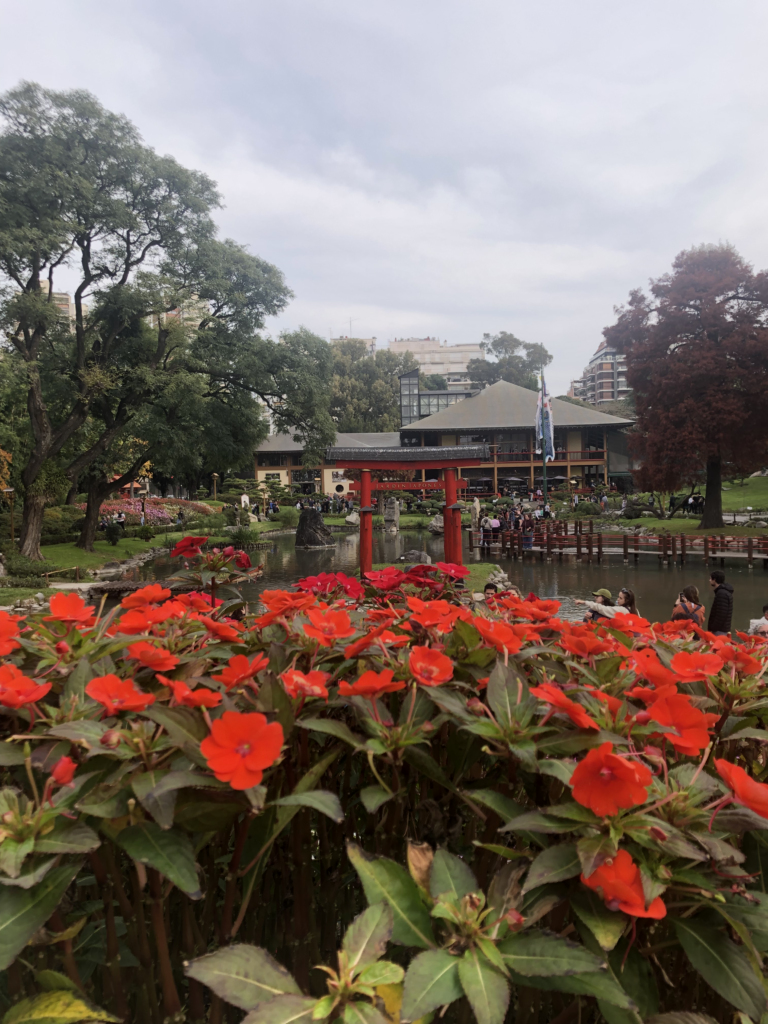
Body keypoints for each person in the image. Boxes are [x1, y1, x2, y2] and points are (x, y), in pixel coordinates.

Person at [708, 570, 734, 635]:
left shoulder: (721, 593)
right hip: (722, 628)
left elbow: (721, 613)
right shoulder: (724, 592)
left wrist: (714, 627)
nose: (709, 580)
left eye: (711, 578)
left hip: (719, 630)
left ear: (715, 580)